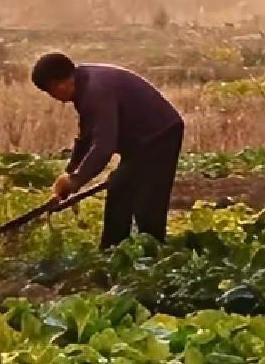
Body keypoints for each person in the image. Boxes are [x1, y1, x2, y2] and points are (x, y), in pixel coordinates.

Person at [30, 49, 185, 248]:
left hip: (161, 135)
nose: (54, 97)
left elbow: (104, 146)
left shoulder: (95, 90)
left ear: (60, 83)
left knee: (148, 203)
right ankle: (111, 251)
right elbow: (86, 138)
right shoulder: (83, 86)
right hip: (139, 143)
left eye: (50, 91)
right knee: (119, 190)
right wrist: (69, 174)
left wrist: (76, 180)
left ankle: (153, 257)